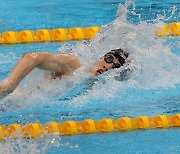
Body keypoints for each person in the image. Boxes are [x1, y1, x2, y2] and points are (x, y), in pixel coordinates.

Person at [0, 48, 129, 96]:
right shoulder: (74, 66)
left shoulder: (98, 92)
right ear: (101, 57)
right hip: (9, 98)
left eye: (115, 67)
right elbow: (32, 57)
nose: (108, 66)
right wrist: (10, 85)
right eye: (108, 59)